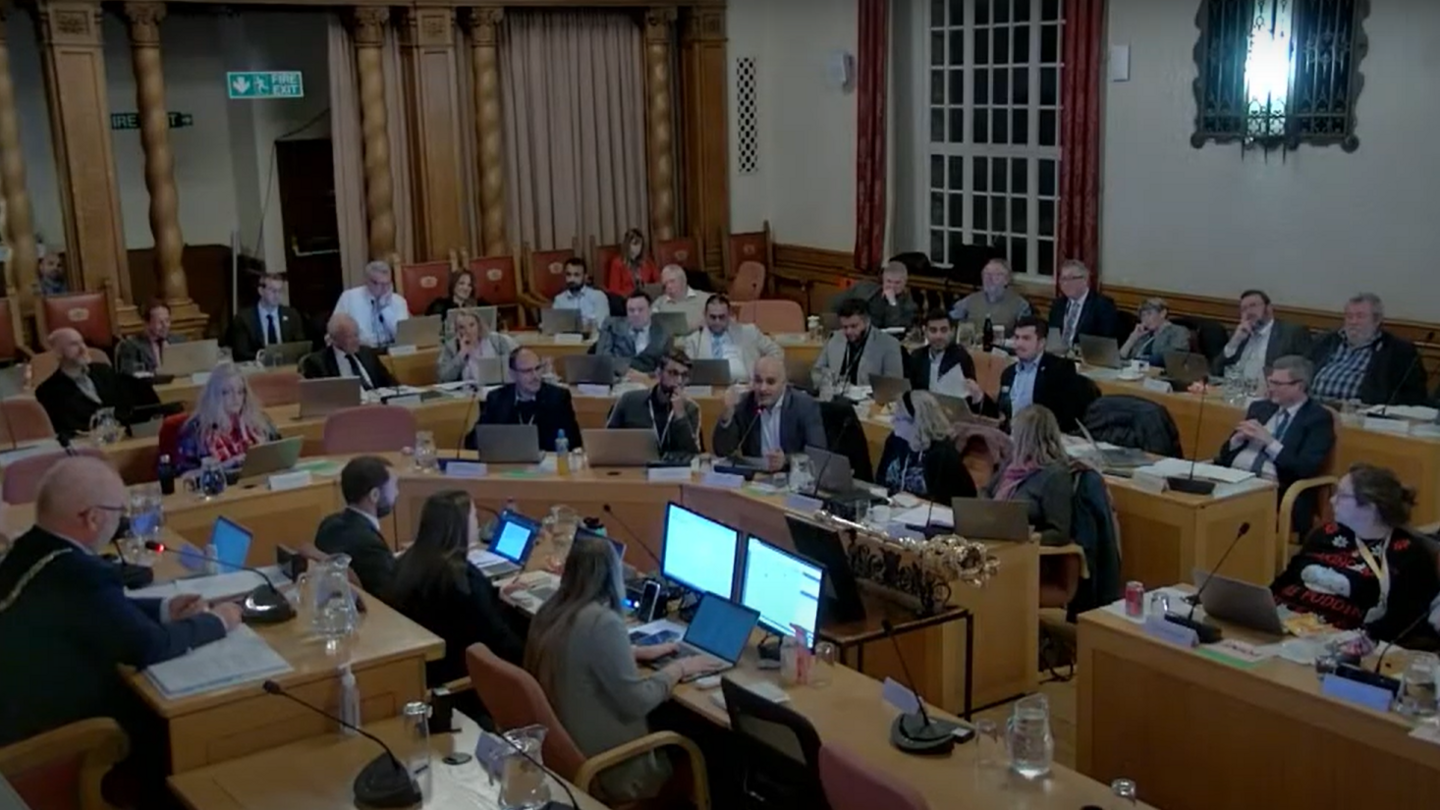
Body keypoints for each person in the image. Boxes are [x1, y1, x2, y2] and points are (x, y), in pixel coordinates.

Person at [0, 456, 241, 757]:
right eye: (119, 513)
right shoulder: (81, 574)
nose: (121, 523)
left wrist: (166, 609)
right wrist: (218, 621)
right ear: (92, 518)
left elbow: (97, 611)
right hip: (42, 742)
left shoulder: (29, 548)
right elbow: (148, 646)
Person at [525, 534, 719, 802]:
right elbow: (637, 702)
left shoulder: (552, 611)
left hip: (562, 753)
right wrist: (680, 668)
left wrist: (635, 652)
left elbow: (579, 654)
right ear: (612, 574)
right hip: (609, 768)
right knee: (710, 739)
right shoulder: (603, 623)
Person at [388, 490, 526, 719]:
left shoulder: (407, 562)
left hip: (428, 674)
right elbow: (498, 640)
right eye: (473, 516)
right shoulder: (460, 580)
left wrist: (494, 592)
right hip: (464, 683)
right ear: (461, 525)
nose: (477, 522)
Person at [1271, 464, 1440, 642]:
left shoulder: (1408, 555)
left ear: (1370, 507)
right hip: (1283, 624)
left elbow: (1402, 623)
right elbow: (1285, 582)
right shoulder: (1325, 534)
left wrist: (1359, 638)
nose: (1332, 500)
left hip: (1341, 641)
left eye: (1342, 496)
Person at [1213, 355, 1335, 534]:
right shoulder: (1260, 408)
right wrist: (1236, 440)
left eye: (1277, 384)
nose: (1270, 389)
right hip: (1235, 478)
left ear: (1299, 386)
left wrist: (1269, 442)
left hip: (1277, 489)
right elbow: (1224, 454)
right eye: (1270, 382)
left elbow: (1305, 468)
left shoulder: (1318, 419)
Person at [1308, 293, 1426, 405]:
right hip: (1312, 408)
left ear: (1377, 320)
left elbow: (1413, 395)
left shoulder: (1398, 351)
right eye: (1349, 316)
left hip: (1359, 416)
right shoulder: (1326, 341)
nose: (1353, 322)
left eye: (1360, 316)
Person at [713, 355, 827, 469]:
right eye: (758, 381)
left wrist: (787, 460)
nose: (763, 388)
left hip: (791, 476)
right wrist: (728, 412)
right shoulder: (745, 404)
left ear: (784, 384)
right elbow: (722, 451)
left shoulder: (804, 406)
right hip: (755, 478)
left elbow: (818, 454)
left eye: (770, 382)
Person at [986, 405, 1073, 546]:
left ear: (1026, 438)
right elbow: (987, 491)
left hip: (1023, 549)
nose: (1011, 438)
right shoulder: (1013, 463)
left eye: (1015, 433)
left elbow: (1060, 533)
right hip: (994, 535)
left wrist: (1031, 537)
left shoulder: (1055, 476)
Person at [172, 362, 281, 474]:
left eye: (240, 392)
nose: (236, 398)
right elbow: (184, 476)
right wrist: (225, 466)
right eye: (227, 392)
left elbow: (280, 454)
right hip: (217, 488)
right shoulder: (196, 430)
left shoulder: (260, 421)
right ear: (214, 395)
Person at [314, 455, 398, 597]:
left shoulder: (328, 524)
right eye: (394, 486)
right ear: (375, 495)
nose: (397, 493)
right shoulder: (369, 544)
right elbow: (392, 595)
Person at [470, 348, 583, 452]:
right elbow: (474, 441)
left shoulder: (558, 398)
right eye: (527, 371)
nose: (535, 376)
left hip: (548, 468)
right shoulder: (497, 399)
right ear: (513, 374)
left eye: (538, 368)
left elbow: (574, 442)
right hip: (506, 467)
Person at [876, 390, 975, 502]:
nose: (893, 421)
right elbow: (880, 479)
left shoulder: (942, 455)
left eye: (899, 418)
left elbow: (951, 502)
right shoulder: (895, 441)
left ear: (917, 423)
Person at [990, 316, 1085, 431]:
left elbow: (1066, 415)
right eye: (1017, 337)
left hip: (1042, 436)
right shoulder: (1008, 373)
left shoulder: (1060, 369)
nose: (1019, 344)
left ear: (1041, 343)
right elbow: (1002, 411)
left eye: (1026, 338)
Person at [35, 328, 132, 438]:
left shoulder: (105, 372)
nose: (83, 348)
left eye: (82, 342)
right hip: (86, 446)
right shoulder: (48, 391)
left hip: (124, 438)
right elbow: (65, 430)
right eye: (73, 345)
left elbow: (126, 408)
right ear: (58, 353)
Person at [604, 349, 703, 456]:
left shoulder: (691, 409)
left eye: (684, 376)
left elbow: (692, 454)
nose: (679, 381)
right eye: (673, 373)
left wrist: (680, 416)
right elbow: (608, 441)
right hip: (635, 465)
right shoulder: (629, 400)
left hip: (672, 470)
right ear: (659, 373)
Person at [1211, 289, 1312, 384]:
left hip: (1270, 395)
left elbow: (1305, 374)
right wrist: (1234, 342)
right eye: (1244, 309)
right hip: (1235, 392)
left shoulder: (1292, 333)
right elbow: (1216, 370)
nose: (1248, 312)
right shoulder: (1240, 335)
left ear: (1269, 308)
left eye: (1253, 306)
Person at [682, 293, 782, 383]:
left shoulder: (749, 332)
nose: (717, 322)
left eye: (722, 317)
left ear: (729, 315)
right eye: (713, 317)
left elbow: (776, 351)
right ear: (705, 315)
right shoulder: (694, 341)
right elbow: (686, 372)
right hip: (709, 388)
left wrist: (763, 372)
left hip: (747, 386)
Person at [812, 298, 904, 388]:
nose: (849, 331)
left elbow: (894, 385)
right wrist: (829, 382)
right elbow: (816, 372)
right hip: (837, 397)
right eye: (845, 327)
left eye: (854, 326)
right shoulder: (835, 338)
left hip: (870, 400)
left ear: (867, 321)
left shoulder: (889, 344)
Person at [300, 312, 399, 390]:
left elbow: (391, 383)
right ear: (335, 338)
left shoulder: (367, 354)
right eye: (351, 337)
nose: (357, 340)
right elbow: (321, 397)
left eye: (357, 334)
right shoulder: (317, 363)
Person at [226, 274, 306, 362]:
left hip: (286, 366)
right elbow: (240, 353)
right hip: (256, 368)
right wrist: (262, 357)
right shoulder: (244, 318)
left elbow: (300, 346)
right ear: (261, 291)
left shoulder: (292, 315)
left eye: (280, 291)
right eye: (272, 290)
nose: (277, 295)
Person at [906, 309, 982, 398]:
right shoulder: (917, 357)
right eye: (933, 330)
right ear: (925, 332)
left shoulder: (961, 357)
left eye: (944, 330)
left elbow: (971, 396)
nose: (938, 336)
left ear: (952, 332)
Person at [333, 260, 410, 347]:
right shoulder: (349, 298)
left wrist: (384, 308)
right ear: (367, 281)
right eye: (378, 284)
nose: (384, 289)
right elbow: (336, 331)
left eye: (387, 284)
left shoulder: (399, 301)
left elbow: (402, 336)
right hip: (360, 350)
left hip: (392, 350)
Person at [595, 291, 673, 376]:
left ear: (650, 310)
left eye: (640, 310)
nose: (636, 314)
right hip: (617, 379)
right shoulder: (612, 325)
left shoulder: (663, 334)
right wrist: (627, 370)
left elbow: (666, 367)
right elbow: (601, 360)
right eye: (631, 310)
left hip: (648, 381)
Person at [949, 258, 1032, 337]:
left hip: (1003, 349)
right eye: (986, 274)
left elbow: (1025, 335)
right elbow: (949, 320)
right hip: (973, 347)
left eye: (996, 275)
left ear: (1007, 279)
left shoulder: (1020, 305)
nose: (989, 279)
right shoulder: (970, 300)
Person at [1047, 260, 1118, 347]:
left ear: (1085, 280)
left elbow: (1106, 341)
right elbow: (1052, 336)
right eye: (1063, 279)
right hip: (1058, 355)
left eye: (1071, 278)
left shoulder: (1102, 305)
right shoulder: (1058, 305)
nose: (1065, 283)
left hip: (1087, 356)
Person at [437, 309, 518, 384]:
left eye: (472, 325)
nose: (468, 331)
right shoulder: (452, 347)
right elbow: (444, 377)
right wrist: (462, 354)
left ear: (479, 325)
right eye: (462, 327)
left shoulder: (497, 341)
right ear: (457, 331)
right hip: (467, 394)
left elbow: (512, 368)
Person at [830, 260, 917, 331]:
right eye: (889, 281)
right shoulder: (864, 289)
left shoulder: (909, 304)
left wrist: (892, 303)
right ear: (883, 280)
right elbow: (835, 304)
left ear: (905, 282)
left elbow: (895, 329)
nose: (892, 286)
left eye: (897, 283)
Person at [1119, 298, 1191, 367]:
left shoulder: (1178, 331)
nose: (1146, 319)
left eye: (1149, 314)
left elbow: (1172, 358)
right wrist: (1132, 338)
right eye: (1143, 315)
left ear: (1163, 313)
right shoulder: (1144, 334)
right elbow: (1121, 357)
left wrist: (1140, 360)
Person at [116, 300, 180, 376]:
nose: (165, 326)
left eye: (167, 321)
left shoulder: (179, 341)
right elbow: (129, 374)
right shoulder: (131, 346)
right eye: (160, 322)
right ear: (147, 323)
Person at [551, 257, 610, 331]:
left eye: (576, 275)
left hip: (594, 340)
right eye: (568, 275)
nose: (572, 279)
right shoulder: (559, 299)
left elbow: (602, 325)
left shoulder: (598, 296)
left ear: (585, 277)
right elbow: (554, 327)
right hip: (566, 341)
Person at [604, 228, 660, 297]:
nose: (638, 248)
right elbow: (614, 290)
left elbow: (658, 281)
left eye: (640, 244)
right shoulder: (617, 263)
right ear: (627, 245)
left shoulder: (647, 261)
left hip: (646, 298)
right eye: (634, 244)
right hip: (626, 299)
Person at [652, 264, 706, 333]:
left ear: (683, 281)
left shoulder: (704, 298)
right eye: (665, 283)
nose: (669, 286)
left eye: (672, 281)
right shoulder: (659, 303)